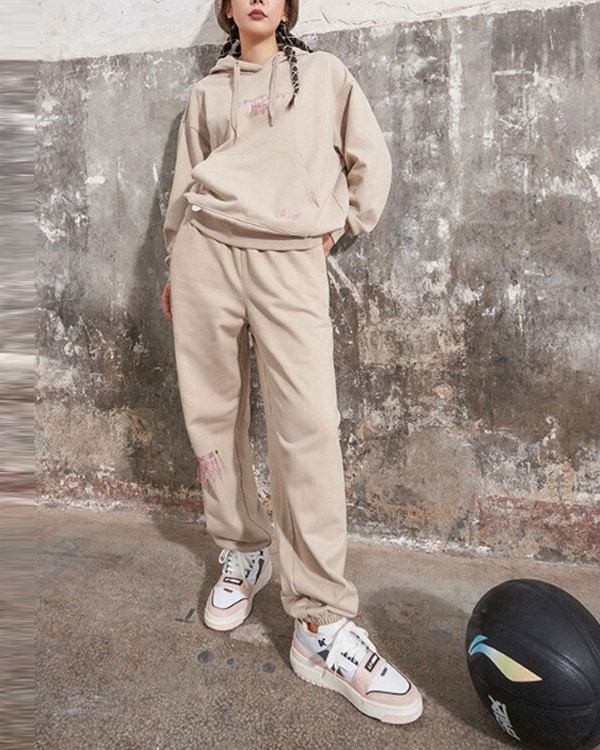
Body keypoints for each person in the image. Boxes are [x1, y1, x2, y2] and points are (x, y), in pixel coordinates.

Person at [160, 0, 423, 725]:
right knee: (212, 414)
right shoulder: (206, 91)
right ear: (225, 9)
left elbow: (370, 160)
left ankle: (319, 619)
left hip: (289, 257)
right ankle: (242, 549)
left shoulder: (326, 74)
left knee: (307, 429)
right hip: (206, 254)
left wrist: (336, 228)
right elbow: (184, 183)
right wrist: (175, 261)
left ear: (288, 6)